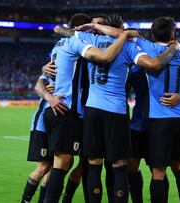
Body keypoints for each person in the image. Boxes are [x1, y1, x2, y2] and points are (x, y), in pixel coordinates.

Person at [70, 13, 180, 203]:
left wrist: (91, 27)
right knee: (120, 165)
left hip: (93, 110)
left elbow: (63, 32)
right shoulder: (129, 47)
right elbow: (153, 64)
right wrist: (175, 49)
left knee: (94, 164)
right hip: (116, 111)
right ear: (120, 29)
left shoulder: (90, 39)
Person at [42, 13, 140, 203]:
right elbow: (59, 32)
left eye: (99, 24)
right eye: (92, 25)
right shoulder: (84, 42)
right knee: (83, 163)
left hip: (98, 109)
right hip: (83, 110)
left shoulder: (92, 42)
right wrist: (47, 73)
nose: (95, 27)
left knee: (105, 165)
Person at [133, 17, 180, 203]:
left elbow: (128, 36)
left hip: (161, 119)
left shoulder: (149, 50)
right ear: (173, 34)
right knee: (179, 167)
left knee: (158, 172)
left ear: (152, 34)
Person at [20, 61, 56, 203]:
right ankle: (25, 201)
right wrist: (47, 91)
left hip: (58, 123)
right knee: (43, 166)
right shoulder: (52, 68)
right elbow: (38, 85)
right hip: (42, 122)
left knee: (55, 166)